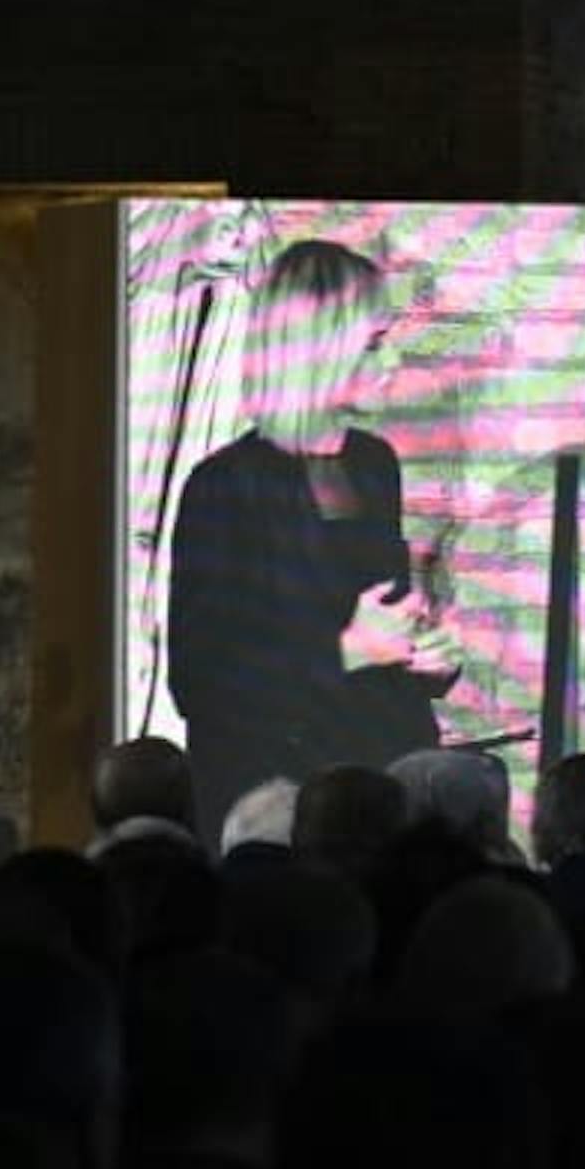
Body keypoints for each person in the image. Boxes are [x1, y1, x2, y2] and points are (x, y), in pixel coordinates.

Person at [166, 237, 466, 823]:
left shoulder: (374, 464)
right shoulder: (223, 487)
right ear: (317, 351)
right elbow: (200, 681)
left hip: (385, 784)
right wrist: (348, 650)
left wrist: (428, 656)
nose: (393, 364)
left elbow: (379, 618)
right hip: (280, 804)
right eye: (374, 345)